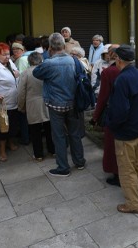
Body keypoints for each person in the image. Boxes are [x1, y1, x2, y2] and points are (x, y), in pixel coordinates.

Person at [104, 45, 138, 214]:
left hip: (125, 132)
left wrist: (111, 123)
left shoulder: (122, 79)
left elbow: (119, 111)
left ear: (119, 60)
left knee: (126, 169)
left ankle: (133, 204)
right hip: (137, 127)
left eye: (115, 58)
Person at [32, 33, 86, 177]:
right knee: (74, 134)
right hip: (73, 103)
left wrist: (47, 56)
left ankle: (63, 168)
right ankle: (79, 162)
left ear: (50, 47)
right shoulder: (74, 60)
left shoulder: (48, 63)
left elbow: (36, 73)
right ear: (63, 45)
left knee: (59, 136)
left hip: (55, 104)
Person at [90, 44, 121, 186]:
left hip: (113, 113)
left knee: (112, 145)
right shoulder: (133, 70)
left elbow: (103, 97)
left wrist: (95, 116)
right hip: (128, 115)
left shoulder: (109, 72)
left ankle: (117, 174)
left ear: (112, 55)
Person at [18, 52, 54, 161]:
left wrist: (21, 106)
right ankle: (53, 150)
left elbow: (21, 92)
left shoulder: (25, 73)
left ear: (29, 61)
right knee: (50, 128)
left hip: (32, 104)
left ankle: (38, 154)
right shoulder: (46, 71)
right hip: (48, 102)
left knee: (35, 131)